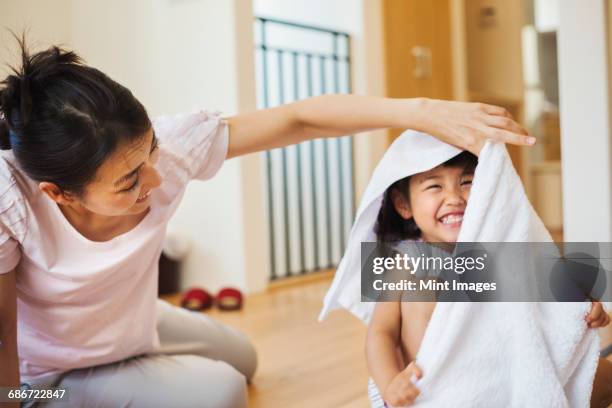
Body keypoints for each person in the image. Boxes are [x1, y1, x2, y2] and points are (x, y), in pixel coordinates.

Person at [0, 38, 536, 408]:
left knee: (245, 355)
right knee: (222, 390)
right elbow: (4, 333)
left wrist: (420, 111)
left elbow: (299, 118)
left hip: (130, 320)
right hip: (52, 364)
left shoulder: (166, 151)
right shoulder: (12, 202)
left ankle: (136, 327)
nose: (155, 181)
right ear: (58, 193)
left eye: (151, 155)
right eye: (129, 183)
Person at [366, 152, 612, 407]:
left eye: (467, 182)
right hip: (434, 393)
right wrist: (390, 384)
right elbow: (381, 332)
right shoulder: (405, 262)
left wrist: (584, 310)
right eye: (434, 186)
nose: (454, 197)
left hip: (499, 382)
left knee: (603, 376)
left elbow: (548, 308)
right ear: (403, 205)